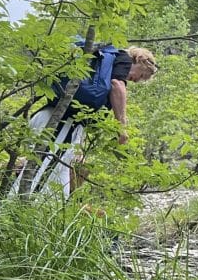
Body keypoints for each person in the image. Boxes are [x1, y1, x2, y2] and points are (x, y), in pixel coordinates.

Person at [18, 45, 158, 197]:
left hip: (54, 118)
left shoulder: (105, 60)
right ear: (140, 61)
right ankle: (21, 210)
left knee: (51, 172)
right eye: (143, 75)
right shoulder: (123, 58)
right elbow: (117, 85)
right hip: (62, 123)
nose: (138, 80)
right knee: (44, 173)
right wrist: (121, 128)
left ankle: (25, 210)